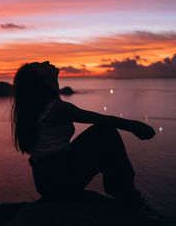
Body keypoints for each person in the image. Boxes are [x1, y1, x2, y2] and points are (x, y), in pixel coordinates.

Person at [11, 61, 156, 209]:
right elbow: (100, 119)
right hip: (56, 180)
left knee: (102, 133)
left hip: (46, 180)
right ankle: (127, 195)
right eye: (41, 65)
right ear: (42, 81)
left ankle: (123, 192)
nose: (47, 62)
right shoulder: (57, 108)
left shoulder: (38, 107)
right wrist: (135, 126)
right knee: (105, 133)